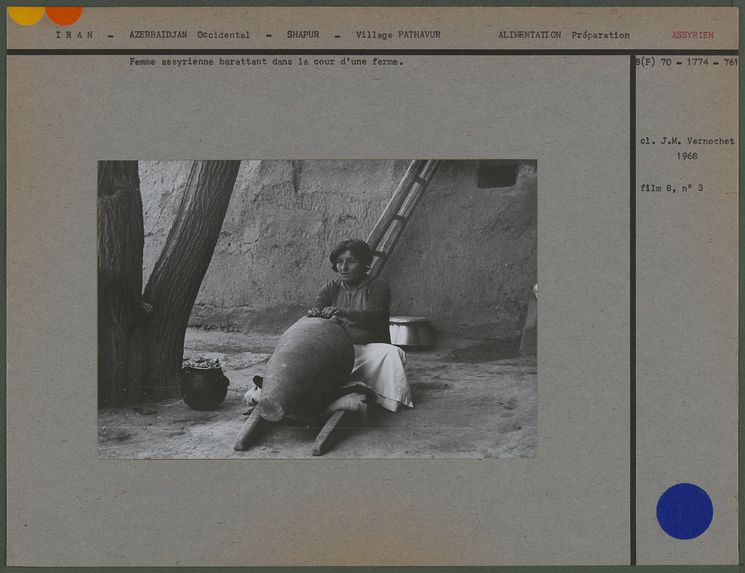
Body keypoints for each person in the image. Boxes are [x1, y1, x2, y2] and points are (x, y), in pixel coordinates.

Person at [309, 239, 413, 413]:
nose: (343, 267)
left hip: (368, 349)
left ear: (364, 264)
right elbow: (316, 314)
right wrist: (315, 316)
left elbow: (373, 316)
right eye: (339, 262)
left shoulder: (378, 286)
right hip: (338, 350)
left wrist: (342, 313)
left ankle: (373, 393)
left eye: (351, 261)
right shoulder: (329, 288)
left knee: (392, 355)